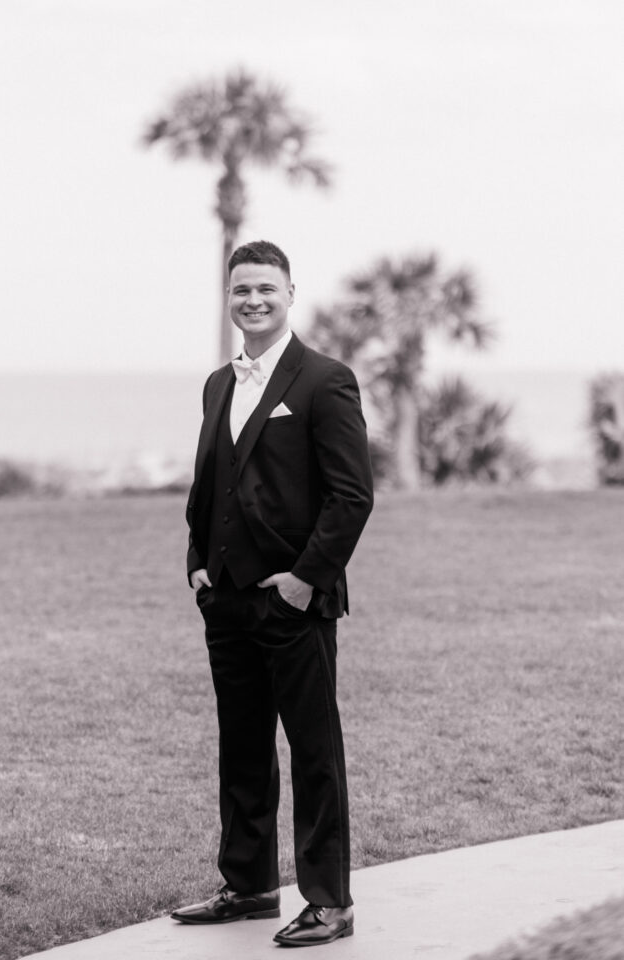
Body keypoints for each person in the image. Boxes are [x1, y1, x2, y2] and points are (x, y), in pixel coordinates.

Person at [171, 240, 373, 947]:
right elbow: (209, 482)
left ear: (290, 292)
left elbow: (351, 496)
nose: (251, 300)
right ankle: (249, 885)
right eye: (240, 291)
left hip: (293, 601)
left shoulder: (324, 380)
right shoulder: (216, 384)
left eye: (264, 288)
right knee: (243, 747)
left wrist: (302, 580)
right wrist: (197, 560)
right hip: (225, 600)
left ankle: (330, 902)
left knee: (314, 752)